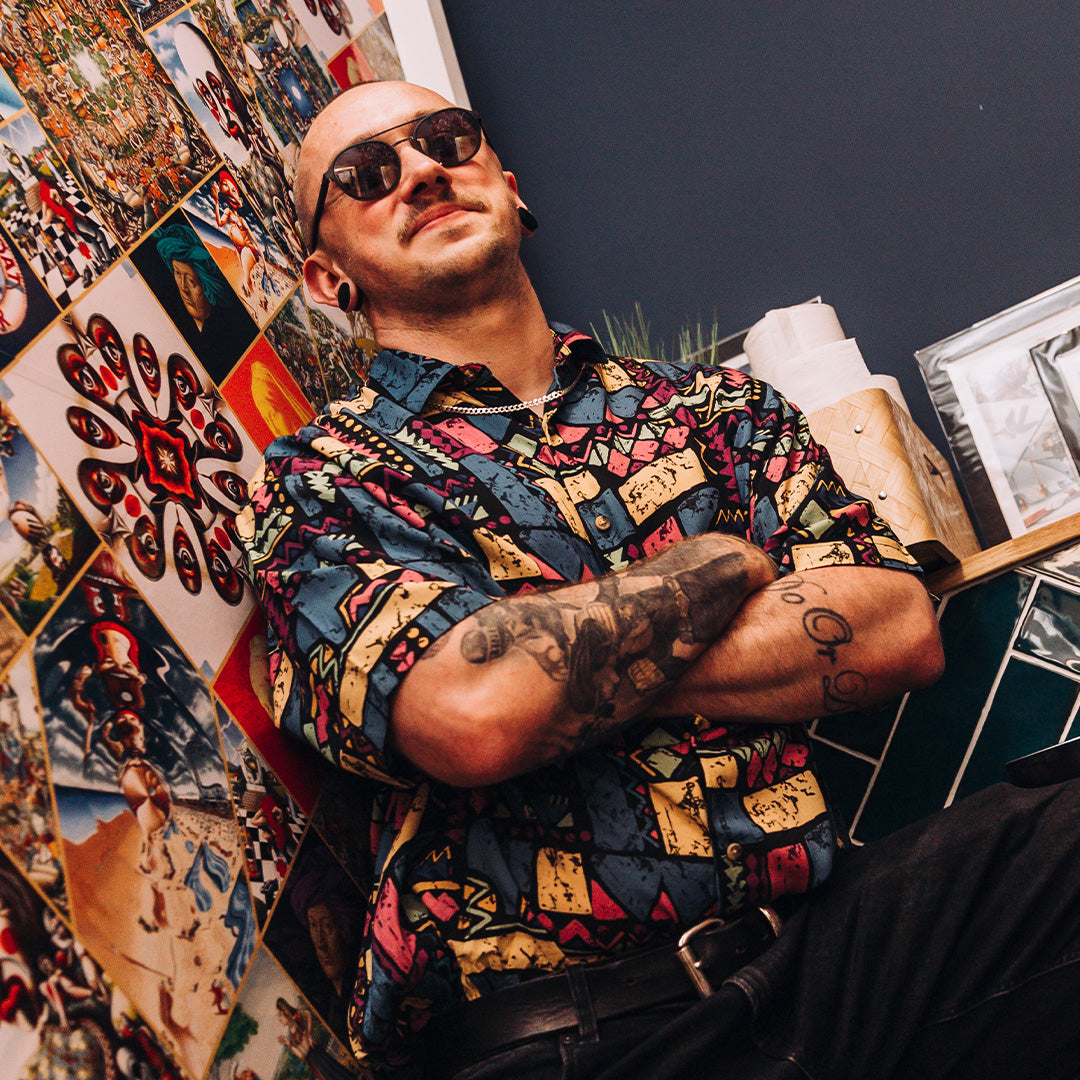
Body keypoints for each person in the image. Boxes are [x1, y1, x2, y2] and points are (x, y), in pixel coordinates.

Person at [239, 80, 1080, 1080]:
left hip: (827, 951)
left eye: (447, 138)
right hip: (577, 1033)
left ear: (510, 186)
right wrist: (720, 562)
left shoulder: (718, 410)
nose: (421, 170)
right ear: (328, 277)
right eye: (368, 173)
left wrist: (562, 672)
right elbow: (474, 715)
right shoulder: (323, 485)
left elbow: (896, 628)